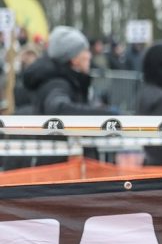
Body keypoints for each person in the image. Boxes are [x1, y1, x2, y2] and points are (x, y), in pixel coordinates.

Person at [5, 26, 117, 170]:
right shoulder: (58, 84)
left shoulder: (69, 79)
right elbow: (58, 109)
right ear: (74, 58)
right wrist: (107, 115)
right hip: (57, 169)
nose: (89, 55)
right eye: (85, 51)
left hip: (61, 166)